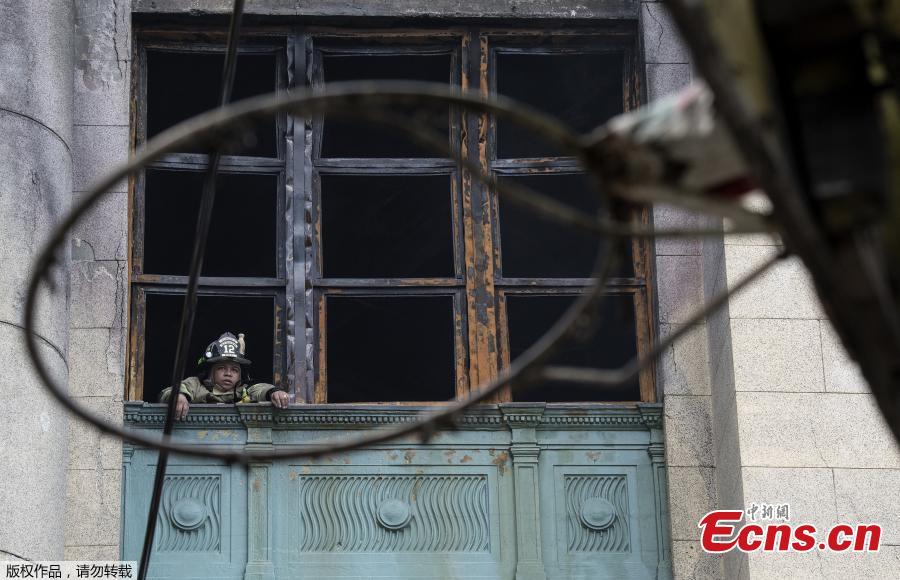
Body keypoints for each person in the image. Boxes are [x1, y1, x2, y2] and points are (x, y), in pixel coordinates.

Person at [159, 331, 289, 420]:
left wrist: (274, 392)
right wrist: (179, 396)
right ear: (211, 372)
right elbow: (171, 390)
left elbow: (260, 389)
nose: (228, 373)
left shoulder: (244, 389)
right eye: (221, 368)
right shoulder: (196, 384)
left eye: (234, 370)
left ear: (240, 375)